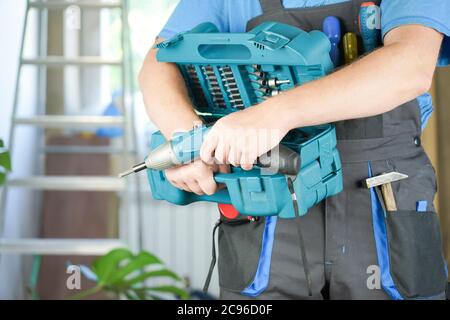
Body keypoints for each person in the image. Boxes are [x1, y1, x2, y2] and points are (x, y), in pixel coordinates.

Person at [139, 0, 450, 300]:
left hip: (382, 200)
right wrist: (189, 140)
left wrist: (272, 115)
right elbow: (158, 63)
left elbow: (411, 63)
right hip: (267, 200)